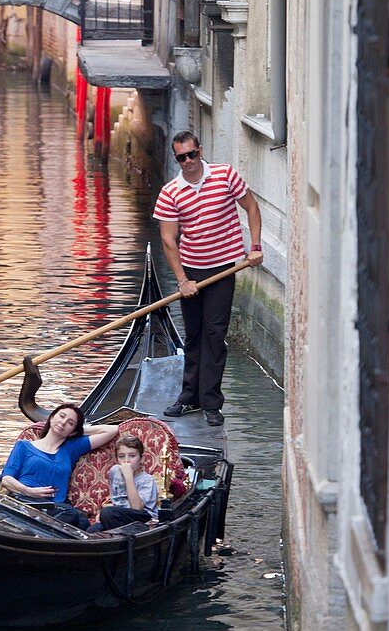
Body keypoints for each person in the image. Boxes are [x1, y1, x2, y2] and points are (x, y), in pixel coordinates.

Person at [153, 130, 264, 427]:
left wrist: (254, 247)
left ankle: (211, 401)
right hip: (191, 271)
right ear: (176, 159)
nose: (188, 161)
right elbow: (168, 240)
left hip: (224, 269)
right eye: (181, 157)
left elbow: (252, 208)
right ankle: (189, 397)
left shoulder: (226, 176)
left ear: (200, 150)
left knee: (215, 335)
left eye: (191, 154)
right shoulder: (170, 193)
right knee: (194, 335)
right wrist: (182, 280)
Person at [1, 403, 119, 530]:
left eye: (70, 423)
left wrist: (76, 432)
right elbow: (6, 479)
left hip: (56, 508)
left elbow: (112, 430)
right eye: (61, 416)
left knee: (81, 520)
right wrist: (29, 491)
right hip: (27, 501)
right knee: (72, 515)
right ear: (52, 417)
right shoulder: (24, 446)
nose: (63, 422)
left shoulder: (71, 448)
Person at [88, 434, 159, 532]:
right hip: (118, 516)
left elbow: (137, 508)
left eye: (132, 456)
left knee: (108, 513)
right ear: (117, 459)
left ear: (142, 459)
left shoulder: (147, 480)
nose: (126, 461)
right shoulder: (115, 471)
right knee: (92, 530)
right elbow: (116, 498)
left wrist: (128, 477)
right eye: (121, 456)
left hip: (143, 520)